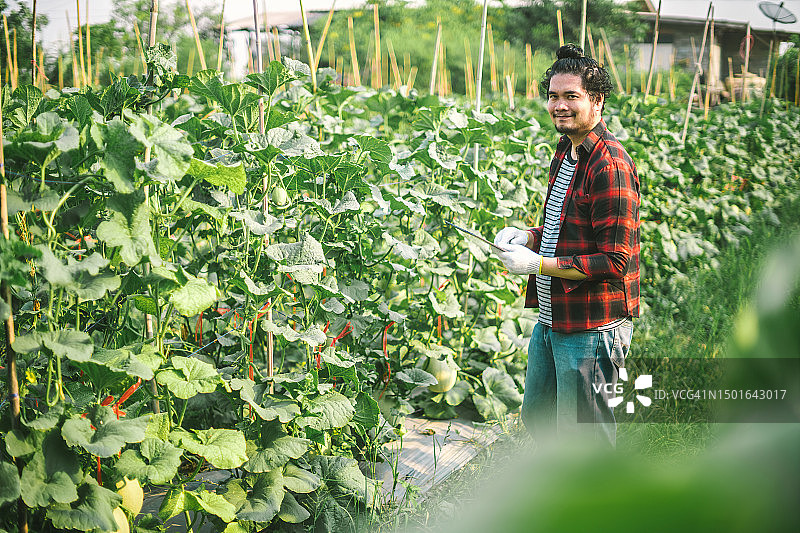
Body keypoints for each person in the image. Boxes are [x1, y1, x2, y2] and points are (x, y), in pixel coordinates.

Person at [493, 44, 640, 445]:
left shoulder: (609, 164)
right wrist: (526, 237)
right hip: (554, 315)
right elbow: (563, 232)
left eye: (571, 96)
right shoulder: (567, 152)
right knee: (539, 417)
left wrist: (538, 265)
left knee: (584, 437)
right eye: (554, 96)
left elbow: (613, 261)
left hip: (592, 324)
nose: (560, 105)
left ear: (597, 100)